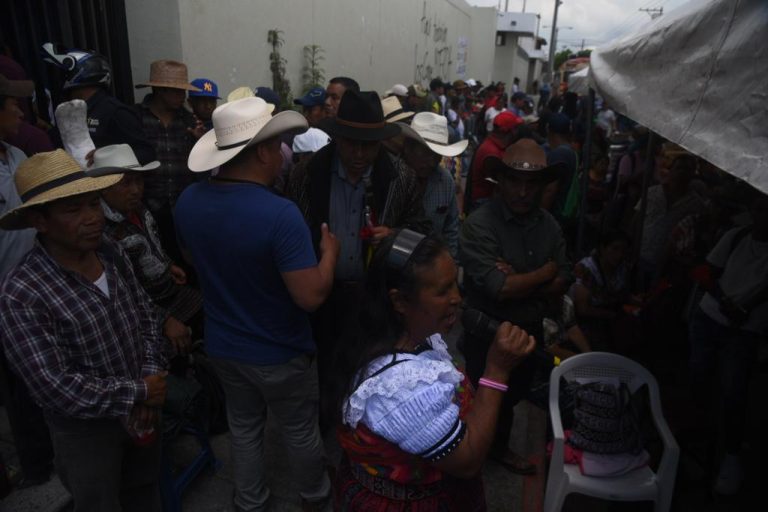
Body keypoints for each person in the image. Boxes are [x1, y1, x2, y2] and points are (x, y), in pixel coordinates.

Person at [175, 96, 338, 510]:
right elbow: (310, 296)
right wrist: (330, 254)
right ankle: (316, 494)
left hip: (224, 346)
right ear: (263, 152)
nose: (283, 153)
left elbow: (194, 260)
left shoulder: (189, 201)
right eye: (278, 144)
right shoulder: (279, 215)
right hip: (280, 350)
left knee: (244, 427)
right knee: (299, 429)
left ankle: (250, 501)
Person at [0, 149, 168, 511]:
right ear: (39, 221)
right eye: (73, 210)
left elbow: (146, 316)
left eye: (93, 204)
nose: (92, 218)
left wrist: (150, 376)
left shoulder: (110, 251)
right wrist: (138, 391)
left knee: (144, 491)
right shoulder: (23, 292)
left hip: (142, 407)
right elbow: (53, 385)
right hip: (86, 433)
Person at [334, 230, 536, 510]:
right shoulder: (400, 389)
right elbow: (467, 461)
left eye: (456, 283)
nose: (457, 298)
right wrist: (497, 372)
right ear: (400, 301)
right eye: (443, 291)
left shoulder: (410, 336)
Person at [287, 90, 428, 424]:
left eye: (369, 145)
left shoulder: (400, 177)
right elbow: (291, 232)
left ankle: (367, 439)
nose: (360, 154)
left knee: (373, 370)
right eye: (351, 143)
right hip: (326, 296)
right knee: (326, 371)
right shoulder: (308, 175)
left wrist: (395, 238)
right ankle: (328, 436)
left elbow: (423, 232)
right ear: (337, 137)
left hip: (376, 295)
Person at [460, 139, 570, 475]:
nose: (523, 191)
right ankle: (473, 451)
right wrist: (542, 273)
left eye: (531, 183)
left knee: (514, 393)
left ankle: (491, 445)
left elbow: (563, 278)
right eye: (515, 181)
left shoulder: (548, 225)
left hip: (529, 332)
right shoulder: (480, 224)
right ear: (501, 181)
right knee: (484, 392)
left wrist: (525, 278)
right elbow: (500, 287)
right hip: (488, 332)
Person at [84, 144, 202, 356]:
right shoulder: (102, 233)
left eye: (138, 181)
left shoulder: (139, 208)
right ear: (104, 187)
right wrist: (163, 320)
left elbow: (150, 244)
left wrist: (167, 265)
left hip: (169, 292)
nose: (136, 189)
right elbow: (120, 294)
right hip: (145, 312)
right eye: (126, 183)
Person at [689, 188, 768, 496]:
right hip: (709, 319)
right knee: (700, 381)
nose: (763, 215)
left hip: (745, 331)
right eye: (760, 207)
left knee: (734, 392)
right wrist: (726, 302)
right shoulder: (737, 237)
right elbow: (706, 271)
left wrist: (746, 308)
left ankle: (731, 457)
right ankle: (701, 444)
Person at [0, 72, 55, 487]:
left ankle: (51, 455)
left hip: (34, 283)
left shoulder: (17, 156)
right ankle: (35, 467)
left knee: (37, 373)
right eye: (10, 104)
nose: (19, 110)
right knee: (15, 386)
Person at [41, 44, 155, 164]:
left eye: (64, 74)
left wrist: (107, 156)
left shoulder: (114, 112)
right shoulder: (67, 111)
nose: (61, 79)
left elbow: (147, 153)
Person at [135, 60, 202, 262]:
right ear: (158, 90)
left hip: (184, 205)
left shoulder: (190, 121)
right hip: (148, 205)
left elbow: (200, 162)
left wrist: (200, 141)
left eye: (183, 91)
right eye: (175, 91)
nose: (182, 97)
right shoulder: (136, 117)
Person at [399, 112, 465, 257]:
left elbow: (451, 228)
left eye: (437, 155)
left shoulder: (445, 179)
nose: (432, 161)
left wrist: (451, 261)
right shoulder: (393, 177)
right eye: (425, 153)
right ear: (408, 147)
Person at [467, 111, 522, 210]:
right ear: (510, 131)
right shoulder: (491, 151)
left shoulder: (497, 146)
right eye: (516, 128)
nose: (518, 131)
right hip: (483, 203)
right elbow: (500, 185)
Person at [542, 113, 578, 220]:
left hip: (557, 214)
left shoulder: (559, 154)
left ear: (548, 130)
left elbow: (550, 190)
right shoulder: (571, 151)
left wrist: (539, 216)